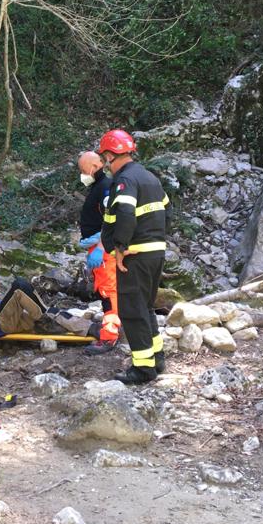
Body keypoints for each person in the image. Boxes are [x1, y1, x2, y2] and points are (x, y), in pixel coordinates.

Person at [98, 129, 169, 384]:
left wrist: (120, 247)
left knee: (132, 311)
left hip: (135, 254)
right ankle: (156, 358)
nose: (104, 163)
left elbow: (126, 214)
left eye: (104, 157)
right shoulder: (150, 177)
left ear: (109, 155)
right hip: (155, 251)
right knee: (146, 307)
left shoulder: (125, 180)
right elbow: (165, 211)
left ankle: (143, 368)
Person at [76, 150, 122, 355]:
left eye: (83, 170)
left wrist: (101, 247)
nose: (81, 174)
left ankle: (109, 336)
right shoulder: (99, 186)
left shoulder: (105, 187)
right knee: (105, 290)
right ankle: (114, 329)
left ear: (94, 167)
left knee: (108, 292)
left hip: (104, 248)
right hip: (98, 247)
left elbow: (111, 220)